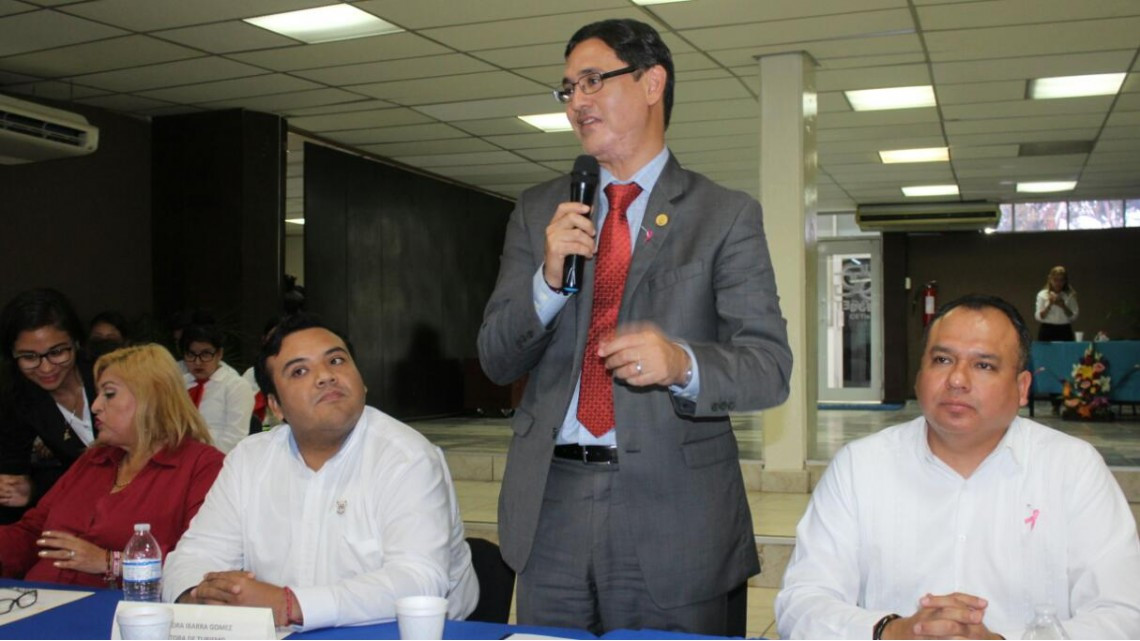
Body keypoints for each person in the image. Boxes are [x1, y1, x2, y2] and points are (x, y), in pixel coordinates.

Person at [477, 18, 792, 635]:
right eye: (567, 89)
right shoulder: (540, 210)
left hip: (675, 510)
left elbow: (769, 366)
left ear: (653, 83)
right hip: (552, 503)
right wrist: (545, 283)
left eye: (593, 80)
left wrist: (682, 363)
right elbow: (495, 357)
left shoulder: (724, 215)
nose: (577, 102)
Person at [775, 294, 1140, 640]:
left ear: (1022, 387)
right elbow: (802, 602)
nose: (957, 380)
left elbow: (1124, 614)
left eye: (983, 365)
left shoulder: (1072, 468)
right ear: (919, 375)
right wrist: (892, 631)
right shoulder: (860, 466)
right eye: (942, 360)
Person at [163, 313, 478, 630]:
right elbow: (193, 555)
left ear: (362, 380)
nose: (325, 376)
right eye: (299, 371)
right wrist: (198, 596)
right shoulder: (249, 459)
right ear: (276, 406)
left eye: (337, 361)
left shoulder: (406, 458)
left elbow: (418, 580)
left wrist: (289, 605)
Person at [0, 344, 223, 587]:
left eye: (109, 394)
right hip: (38, 601)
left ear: (150, 397)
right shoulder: (93, 460)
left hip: (124, 613)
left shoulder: (202, 466)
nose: (95, 405)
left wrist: (111, 562)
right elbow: (33, 532)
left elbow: (202, 562)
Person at [0, 289, 96, 521]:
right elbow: (14, 478)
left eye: (57, 352)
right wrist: (31, 491)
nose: (46, 368)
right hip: (82, 512)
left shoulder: (109, 373)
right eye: (29, 357)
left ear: (76, 342)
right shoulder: (18, 400)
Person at [179, 324, 254, 453]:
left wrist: (202, 460)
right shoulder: (180, 384)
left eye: (206, 354)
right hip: (181, 457)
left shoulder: (236, 386)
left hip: (218, 460)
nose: (198, 362)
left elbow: (235, 439)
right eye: (191, 354)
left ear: (219, 354)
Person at [1034, 265, 1078, 341]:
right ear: (1050, 279)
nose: (1058, 283)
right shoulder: (1042, 294)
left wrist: (1063, 306)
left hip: (1064, 330)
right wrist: (1049, 304)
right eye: (1055, 280)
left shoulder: (1070, 295)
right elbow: (1039, 317)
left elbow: (1074, 316)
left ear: (1065, 281)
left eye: (1061, 280)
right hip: (1047, 329)